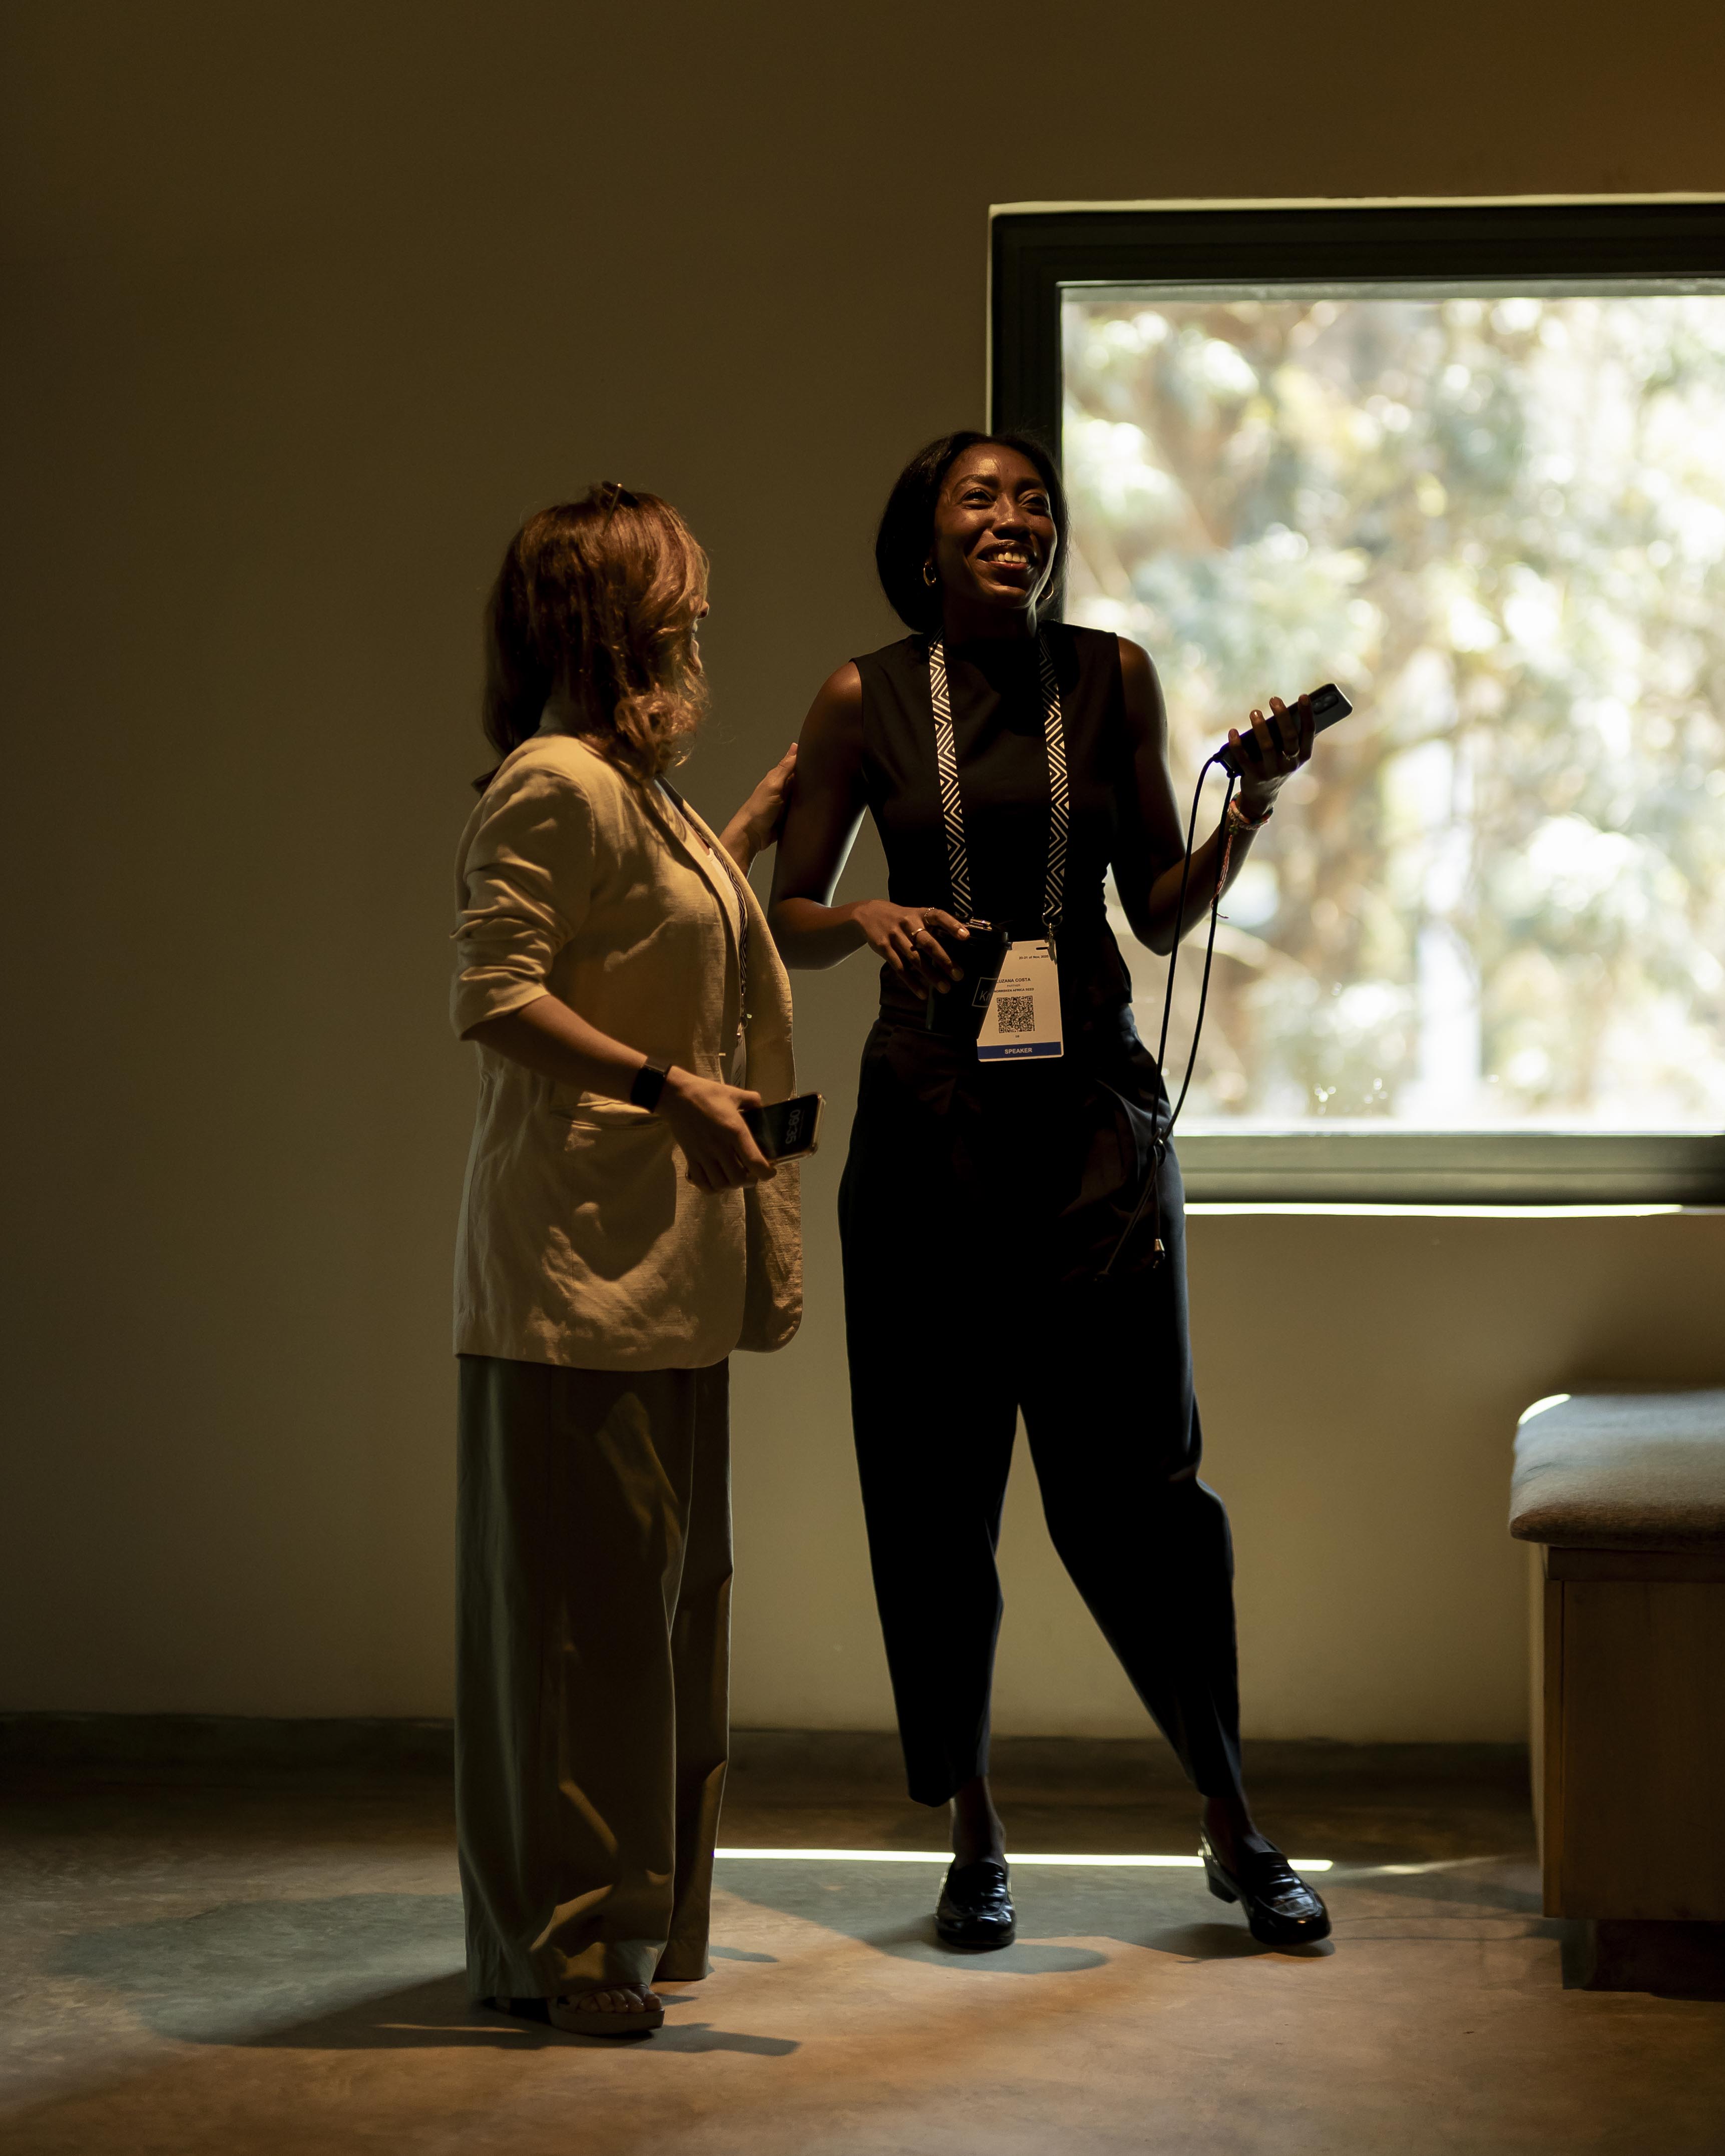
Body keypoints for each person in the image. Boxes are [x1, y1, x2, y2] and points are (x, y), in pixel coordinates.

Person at [767, 431, 1330, 1951]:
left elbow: (1155, 910)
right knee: (936, 1494)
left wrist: (1247, 816)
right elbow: (789, 911)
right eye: (982, 501)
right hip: (930, 1130)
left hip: (1092, 1124)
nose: (1017, 518)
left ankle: (1231, 1819)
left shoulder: (1111, 677)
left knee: (1147, 1487)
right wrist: (867, 912)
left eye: (1035, 501)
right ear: (928, 547)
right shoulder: (862, 697)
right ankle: (974, 1830)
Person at [450, 484, 801, 2036]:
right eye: (679, 594)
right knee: (592, 1621)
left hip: (665, 1268)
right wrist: (669, 1089)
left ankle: (646, 1924)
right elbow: (496, 992)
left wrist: (743, 840)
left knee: (670, 1605)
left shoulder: (638, 793)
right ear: (608, 616)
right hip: (574, 1282)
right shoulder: (553, 780)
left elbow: (644, 946)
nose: (702, 611)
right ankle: (580, 1945)